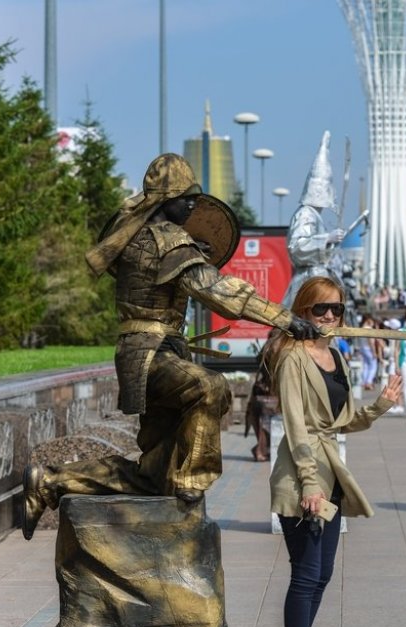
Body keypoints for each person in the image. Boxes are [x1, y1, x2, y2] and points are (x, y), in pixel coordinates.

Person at [20, 154, 319, 539]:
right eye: (185, 197)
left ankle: (49, 480)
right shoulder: (169, 239)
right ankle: (191, 480)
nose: (194, 204)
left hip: (148, 351)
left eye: (196, 196)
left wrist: (191, 252)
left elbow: (159, 267)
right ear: (165, 199)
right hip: (151, 353)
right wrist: (285, 318)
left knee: (152, 474)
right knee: (210, 388)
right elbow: (218, 292)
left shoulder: (138, 234)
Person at [264, 276, 403, 627]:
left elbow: (341, 423)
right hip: (303, 478)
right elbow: (297, 427)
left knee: (322, 574)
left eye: (336, 309)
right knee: (305, 574)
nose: (329, 316)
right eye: (320, 309)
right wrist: (309, 484)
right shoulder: (292, 358)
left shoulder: (337, 357)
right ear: (303, 312)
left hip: (332, 474)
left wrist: (380, 406)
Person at [282, 131, 346, 307]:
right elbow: (296, 246)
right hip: (308, 281)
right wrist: (326, 238)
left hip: (318, 277)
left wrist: (330, 244)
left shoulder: (316, 216)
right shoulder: (305, 214)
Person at [358, 315, 379, 390]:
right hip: (369, 349)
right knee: (373, 366)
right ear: (369, 320)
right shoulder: (369, 329)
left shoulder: (361, 329)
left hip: (362, 348)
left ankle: (364, 382)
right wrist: (374, 352)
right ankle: (369, 382)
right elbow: (371, 342)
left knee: (366, 366)